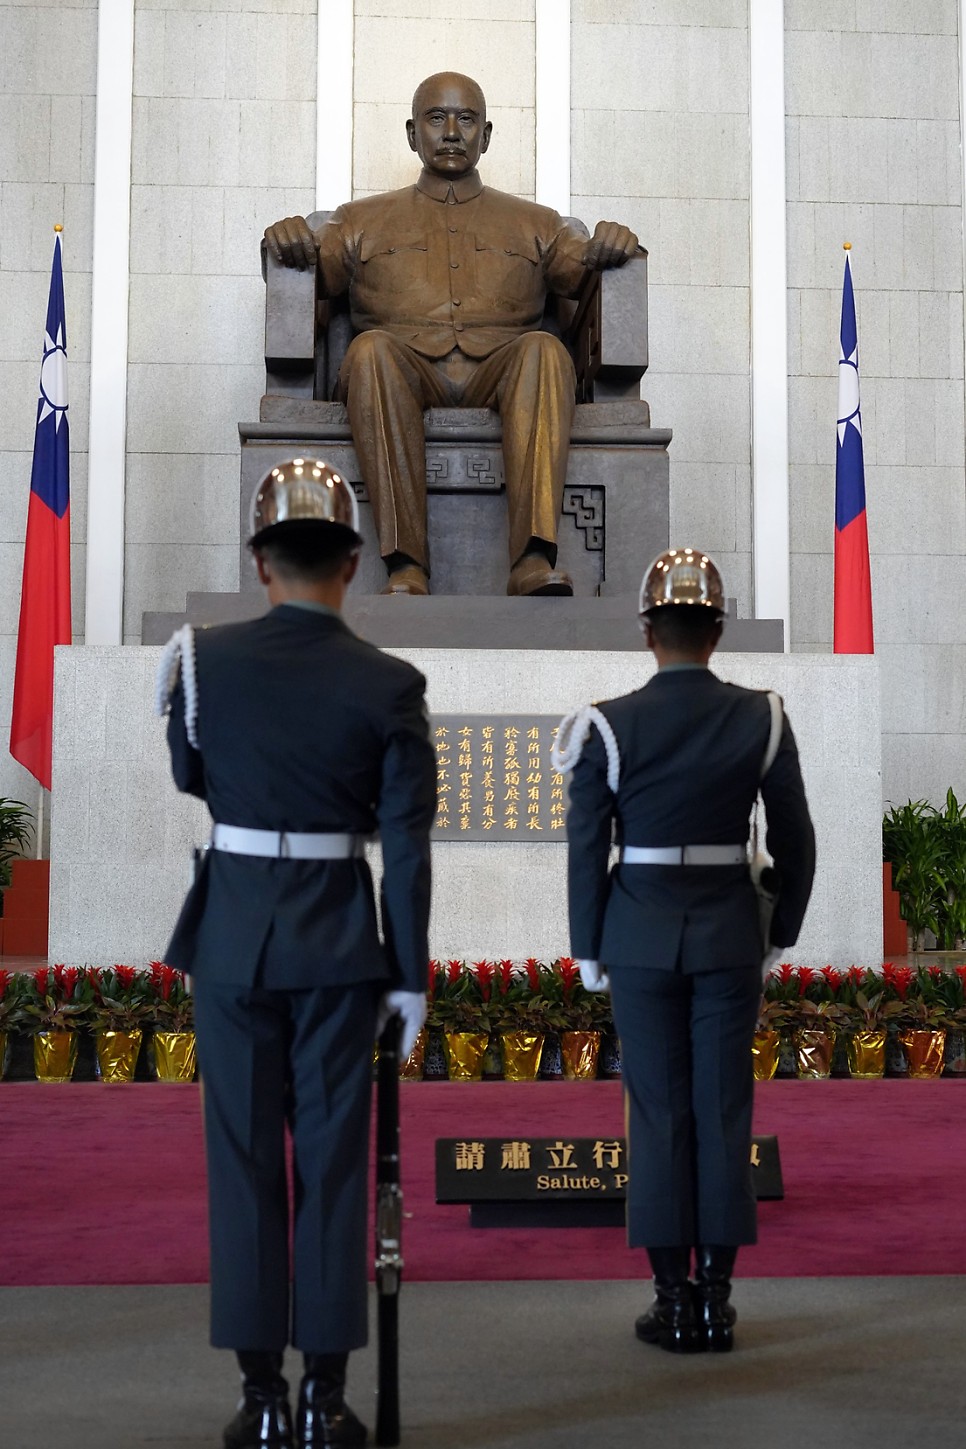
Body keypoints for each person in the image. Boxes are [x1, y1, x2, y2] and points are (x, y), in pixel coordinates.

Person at [155, 458, 436, 1448]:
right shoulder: (392, 683)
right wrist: (410, 975)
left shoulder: (202, 660)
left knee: (241, 1161)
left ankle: (259, 1396)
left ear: (259, 560)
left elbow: (194, 775)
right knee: (332, 1162)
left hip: (233, 930)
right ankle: (325, 1393)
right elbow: (403, 843)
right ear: (353, 563)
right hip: (336, 938)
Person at [554, 547, 815, 1353]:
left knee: (659, 1111)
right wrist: (780, 926)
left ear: (647, 633)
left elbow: (585, 845)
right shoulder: (761, 714)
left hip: (637, 935)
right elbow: (796, 840)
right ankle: (716, 1299)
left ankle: (671, 1299)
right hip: (730, 933)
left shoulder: (607, 723)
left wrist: (588, 945)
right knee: (724, 1108)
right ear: (717, 630)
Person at [264, 71, 639, 599]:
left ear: (485, 136)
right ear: (412, 132)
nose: (451, 131)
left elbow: (584, 266)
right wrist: (285, 241)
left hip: (501, 370)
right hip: (401, 369)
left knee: (544, 350)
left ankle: (533, 560)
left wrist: (617, 244)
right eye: (436, 118)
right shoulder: (359, 219)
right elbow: (315, 267)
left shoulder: (537, 221)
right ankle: (406, 566)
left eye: (466, 119)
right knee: (371, 350)